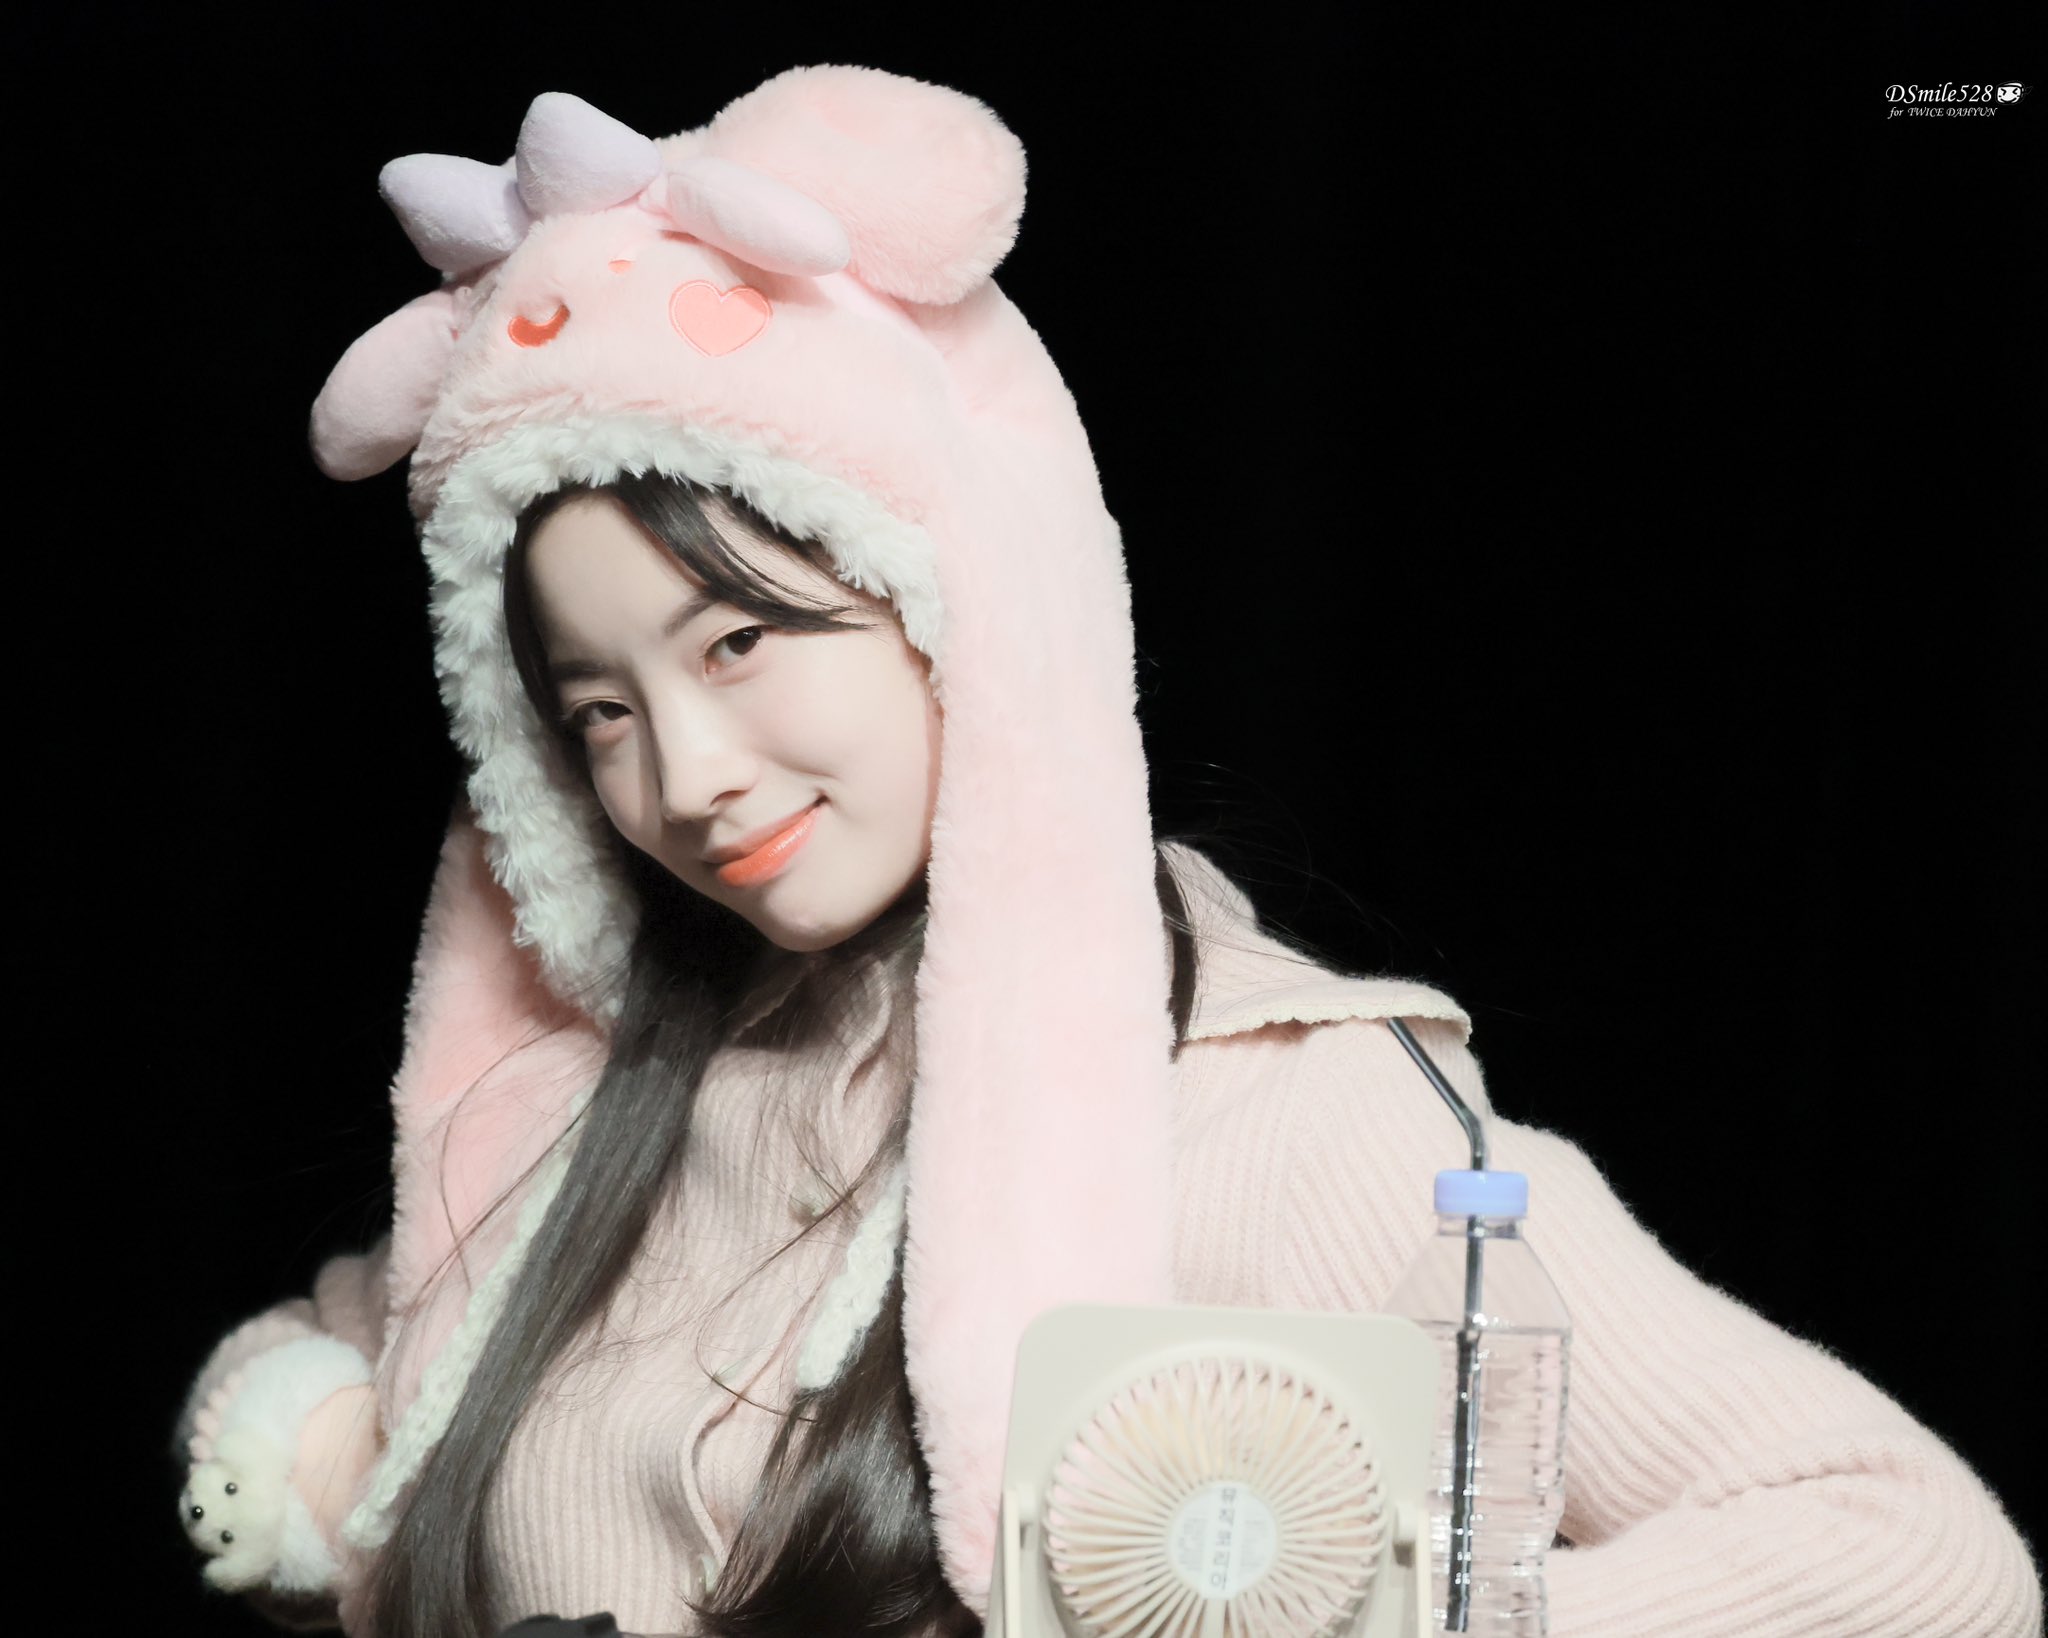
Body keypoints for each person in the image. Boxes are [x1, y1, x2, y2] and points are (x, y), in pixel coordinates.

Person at [170, 65, 2042, 1638]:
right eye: (596, 709)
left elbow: (1912, 1552)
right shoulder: (590, 1107)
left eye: (738, 639)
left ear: (955, 594)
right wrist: (313, 1440)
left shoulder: (1266, 1109)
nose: (687, 774)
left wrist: (1358, 1613)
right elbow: (357, 1367)